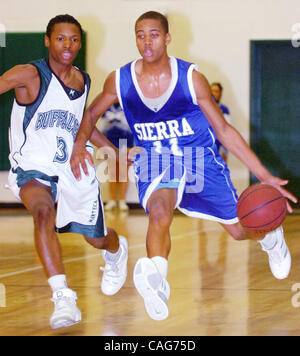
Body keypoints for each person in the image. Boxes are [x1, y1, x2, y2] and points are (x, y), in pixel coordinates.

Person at [70, 11, 297, 321]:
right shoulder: (120, 80)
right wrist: (106, 151)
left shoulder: (191, 79)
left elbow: (225, 132)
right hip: (154, 161)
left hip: (198, 160)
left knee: (240, 230)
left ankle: (271, 237)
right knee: (160, 212)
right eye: (140, 34)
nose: (146, 40)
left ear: (167, 38)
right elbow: (89, 116)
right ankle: (157, 281)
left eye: (153, 34)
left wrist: (264, 175)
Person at [0, 14, 128, 329]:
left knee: (96, 240)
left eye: (73, 39)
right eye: (60, 38)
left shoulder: (82, 81)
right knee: (43, 213)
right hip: (32, 166)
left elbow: (81, 120)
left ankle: (115, 248)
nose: (67, 45)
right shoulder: (28, 74)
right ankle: (63, 297)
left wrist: (110, 150)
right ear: (47, 40)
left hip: (74, 166)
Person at [99, 103, 134, 211]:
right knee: (112, 172)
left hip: (125, 141)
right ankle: (112, 200)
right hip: (110, 141)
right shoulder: (107, 106)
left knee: (124, 172)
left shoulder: (127, 105)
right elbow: (104, 121)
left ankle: (122, 200)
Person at [211, 82, 231, 162]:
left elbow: (226, 128)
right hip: (207, 142)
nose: (213, 93)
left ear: (220, 93)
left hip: (220, 143)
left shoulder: (223, 109)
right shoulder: (203, 107)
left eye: (216, 91)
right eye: (211, 90)